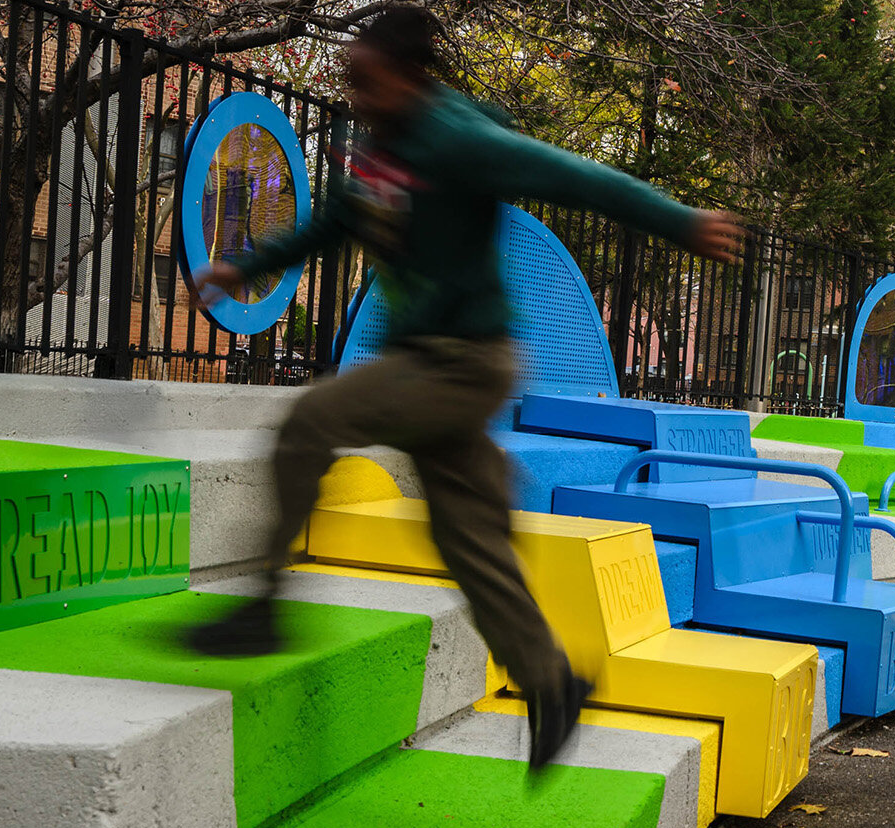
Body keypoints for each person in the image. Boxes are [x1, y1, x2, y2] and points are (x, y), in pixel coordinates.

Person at [186, 4, 745, 774]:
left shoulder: (457, 140)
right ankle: (553, 682)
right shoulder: (380, 150)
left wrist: (679, 221)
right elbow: (332, 225)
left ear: (410, 77)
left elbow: (576, 177)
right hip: (430, 363)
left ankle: (264, 609)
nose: (356, 96)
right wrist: (243, 266)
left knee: (311, 419)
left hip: (462, 364)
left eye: (368, 82)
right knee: (468, 541)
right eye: (351, 82)